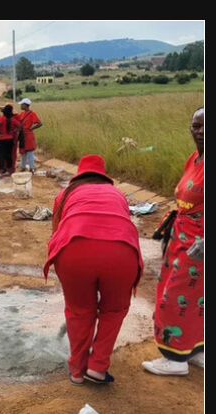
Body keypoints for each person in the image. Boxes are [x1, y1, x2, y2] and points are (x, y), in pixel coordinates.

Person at [43, 154, 144, 386]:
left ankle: (77, 372)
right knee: (114, 310)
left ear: (79, 175)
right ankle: (97, 367)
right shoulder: (117, 193)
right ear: (103, 176)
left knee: (79, 310)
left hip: (75, 251)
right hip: (120, 253)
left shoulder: (65, 194)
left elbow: (57, 231)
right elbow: (121, 221)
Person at [142, 106, 204, 375]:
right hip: (180, 236)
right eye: (195, 126)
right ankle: (195, 350)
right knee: (195, 298)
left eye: (204, 126)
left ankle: (174, 359)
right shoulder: (194, 159)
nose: (199, 132)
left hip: (199, 245)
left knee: (175, 296)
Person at [0, 103, 21, 178]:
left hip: (1, 139)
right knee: (9, 156)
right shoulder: (13, 119)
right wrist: (14, 131)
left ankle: (1, 171)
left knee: (1, 156)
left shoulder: (2, 119)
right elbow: (20, 126)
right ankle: (9, 171)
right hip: (10, 139)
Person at [17, 98, 43, 173]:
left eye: (22, 104)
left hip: (28, 134)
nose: (21, 106)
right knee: (23, 152)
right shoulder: (22, 113)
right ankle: (23, 167)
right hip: (23, 134)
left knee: (30, 152)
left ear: (26, 105)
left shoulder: (32, 114)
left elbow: (39, 123)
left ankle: (31, 168)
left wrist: (30, 128)